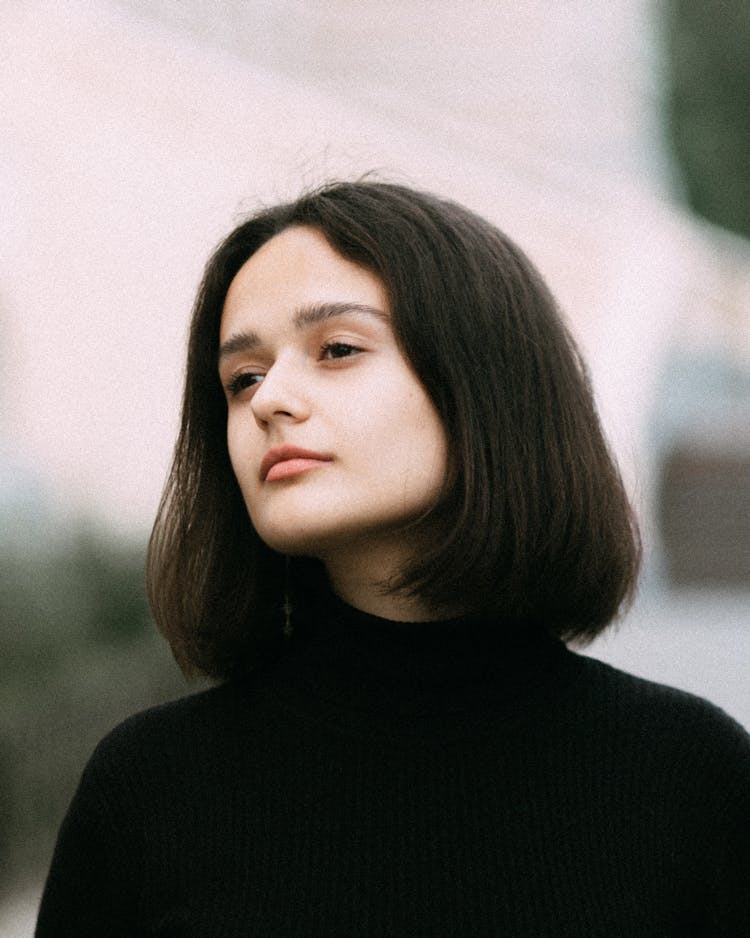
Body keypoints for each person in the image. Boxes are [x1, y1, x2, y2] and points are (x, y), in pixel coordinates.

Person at [36, 181, 750, 936]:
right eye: (241, 378)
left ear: (485, 384)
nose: (270, 398)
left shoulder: (691, 781)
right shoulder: (151, 789)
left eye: (337, 349)